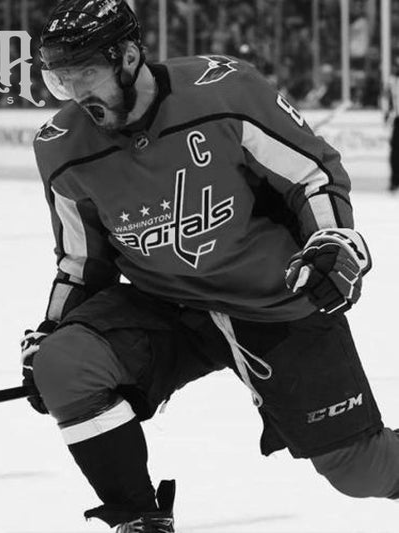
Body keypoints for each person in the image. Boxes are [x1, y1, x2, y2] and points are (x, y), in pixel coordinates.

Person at [20, 1, 399, 531]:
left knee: (360, 470)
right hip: (166, 304)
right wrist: (52, 331)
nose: (76, 93)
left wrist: (330, 239)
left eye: (85, 73)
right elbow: (84, 262)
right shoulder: (61, 147)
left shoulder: (225, 92)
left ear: (127, 57)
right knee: (65, 364)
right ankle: (140, 520)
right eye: (61, 79)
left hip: (273, 295)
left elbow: (311, 176)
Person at [384, 61, 399, 193]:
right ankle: (395, 181)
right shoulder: (392, 81)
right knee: (395, 153)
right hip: (397, 120)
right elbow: (387, 99)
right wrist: (388, 114)